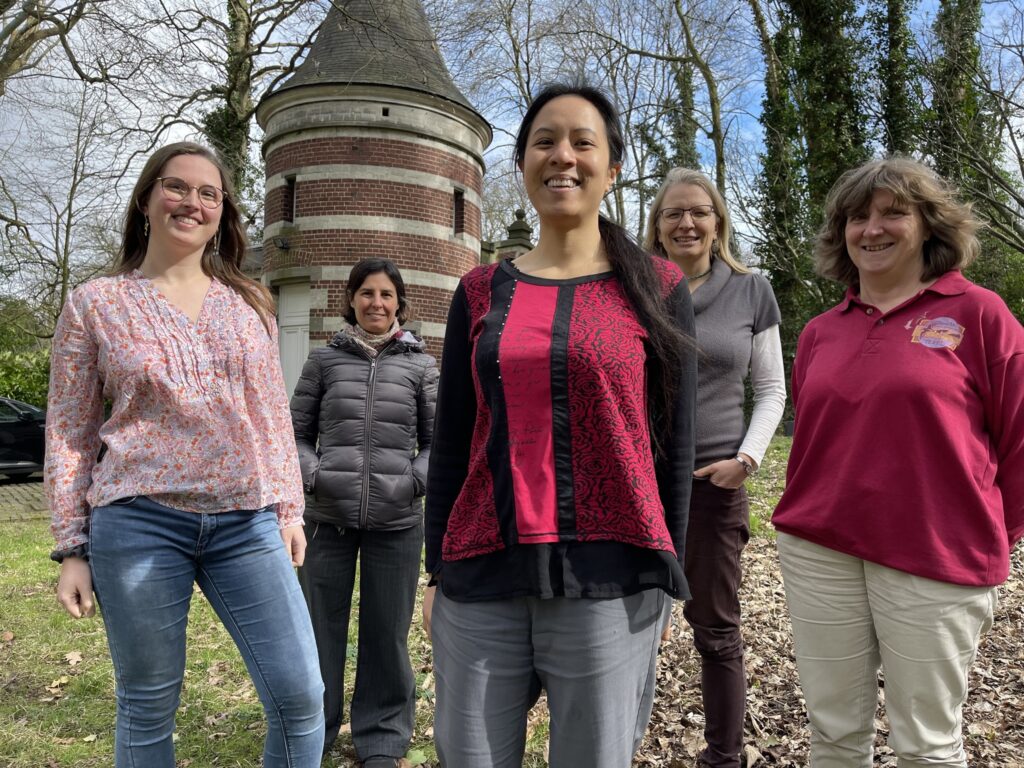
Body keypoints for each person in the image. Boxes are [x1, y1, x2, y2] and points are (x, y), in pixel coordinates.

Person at [422, 81, 698, 768]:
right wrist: (435, 570)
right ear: (522, 163)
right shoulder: (479, 290)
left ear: (613, 167)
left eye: (583, 142)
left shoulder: (659, 287)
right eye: (544, 141)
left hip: (612, 579)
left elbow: (674, 444)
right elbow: (452, 439)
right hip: (482, 571)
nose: (563, 156)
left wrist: (667, 573)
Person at [45, 141, 325, 767]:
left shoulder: (249, 304)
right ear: (146, 199)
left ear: (222, 213)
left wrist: (288, 509)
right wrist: (72, 547)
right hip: (138, 524)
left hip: (246, 522)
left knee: (301, 698)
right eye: (176, 186)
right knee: (147, 705)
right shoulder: (95, 303)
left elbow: (271, 416)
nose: (191, 202)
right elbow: (69, 430)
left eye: (209, 193)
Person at [772, 156, 1024, 766]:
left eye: (893, 213)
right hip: (821, 552)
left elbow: (1019, 441)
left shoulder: (979, 314)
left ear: (929, 225)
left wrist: (988, 533)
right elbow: (813, 438)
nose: (872, 229)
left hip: (936, 554)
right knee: (833, 736)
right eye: (857, 217)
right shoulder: (820, 332)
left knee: (927, 745)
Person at [643, 168, 785, 768]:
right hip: (638, 482)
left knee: (716, 627)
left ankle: (724, 756)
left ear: (718, 221)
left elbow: (771, 389)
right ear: (656, 225)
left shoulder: (751, 290)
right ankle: (612, 741)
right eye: (673, 213)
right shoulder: (634, 288)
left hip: (713, 484)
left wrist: (745, 461)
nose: (686, 223)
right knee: (626, 621)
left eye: (698, 211)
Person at [290, 258, 438, 768]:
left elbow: (438, 443)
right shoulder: (323, 362)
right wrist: (315, 475)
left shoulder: (421, 366)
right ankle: (314, 729)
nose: (377, 303)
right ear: (351, 299)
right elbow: (294, 434)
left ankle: (382, 738)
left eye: (386, 295)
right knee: (317, 629)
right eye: (367, 293)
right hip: (325, 519)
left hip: (398, 522)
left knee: (387, 632)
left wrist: (412, 482)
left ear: (399, 304)